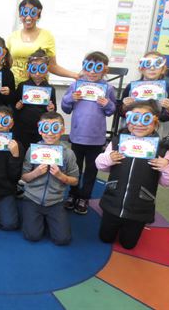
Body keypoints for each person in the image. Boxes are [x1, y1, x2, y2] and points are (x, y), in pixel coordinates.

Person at [96, 100, 169, 249]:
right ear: (128, 121)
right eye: (135, 118)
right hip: (113, 202)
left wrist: (168, 167)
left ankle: (129, 229)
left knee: (128, 245)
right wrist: (108, 158)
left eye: (146, 119)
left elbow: (168, 182)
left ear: (155, 122)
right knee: (105, 238)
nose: (139, 124)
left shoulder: (161, 150)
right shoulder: (117, 143)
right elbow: (100, 166)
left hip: (140, 208)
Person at [61, 51, 116, 215]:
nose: (92, 72)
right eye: (88, 67)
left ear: (104, 70)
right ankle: (72, 194)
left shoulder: (108, 88)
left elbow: (111, 110)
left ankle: (85, 197)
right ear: (83, 67)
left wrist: (107, 104)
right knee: (74, 167)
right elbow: (65, 108)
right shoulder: (75, 86)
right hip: (77, 136)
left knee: (92, 169)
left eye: (97, 68)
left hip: (96, 139)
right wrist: (71, 98)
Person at [20, 112, 79, 245]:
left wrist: (61, 176)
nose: (50, 133)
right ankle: (39, 219)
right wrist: (36, 173)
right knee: (32, 236)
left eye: (55, 128)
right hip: (32, 199)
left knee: (63, 239)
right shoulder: (32, 150)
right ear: (40, 129)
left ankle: (48, 219)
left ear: (62, 130)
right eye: (46, 128)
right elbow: (24, 177)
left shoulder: (68, 154)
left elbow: (75, 180)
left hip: (55, 201)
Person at [7, 0, 79, 86]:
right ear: (20, 15)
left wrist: (75, 75)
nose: (28, 17)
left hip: (37, 87)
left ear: (38, 15)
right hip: (14, 86)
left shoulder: (47, 36)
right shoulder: (12, 36)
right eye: (24, 13)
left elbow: (52, 66)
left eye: (32, 13)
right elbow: (8, 64)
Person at [14, 48, 57, 153]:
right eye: (34, 69)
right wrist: (18, 106)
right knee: (22, 152)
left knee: (38, 152)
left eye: (41, 69)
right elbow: (14, 108)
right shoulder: (22, 86)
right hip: (23, 128)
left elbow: (53, 112)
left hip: (41, 130)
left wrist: (51, 109)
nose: (37, 73)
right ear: (29, 69)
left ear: (46, 69)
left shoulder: (50, 89)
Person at [120, 51, 169, 122]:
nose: (152, 68)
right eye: (148, 64)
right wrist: (124, 107)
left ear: (163, 69)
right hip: (132, 126)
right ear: (141, 69)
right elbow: (121, 113)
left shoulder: (166, 88)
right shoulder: (131, 87)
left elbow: (166, 117)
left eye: (157, 64)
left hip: (154, 126)